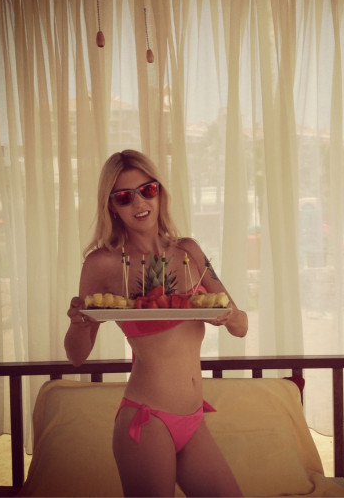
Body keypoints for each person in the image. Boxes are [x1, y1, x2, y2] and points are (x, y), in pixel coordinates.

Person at [64, 149, 247, 497]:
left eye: (147, 190)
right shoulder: (102, 264)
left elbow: (241, 326)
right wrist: (78, 323)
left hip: (193, 420)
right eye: (124, 196)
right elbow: (76, 356)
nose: (139, 203)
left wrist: (229, 317)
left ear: (160, 192)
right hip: (147, 420)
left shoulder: (189, 252)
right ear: (112, 207)